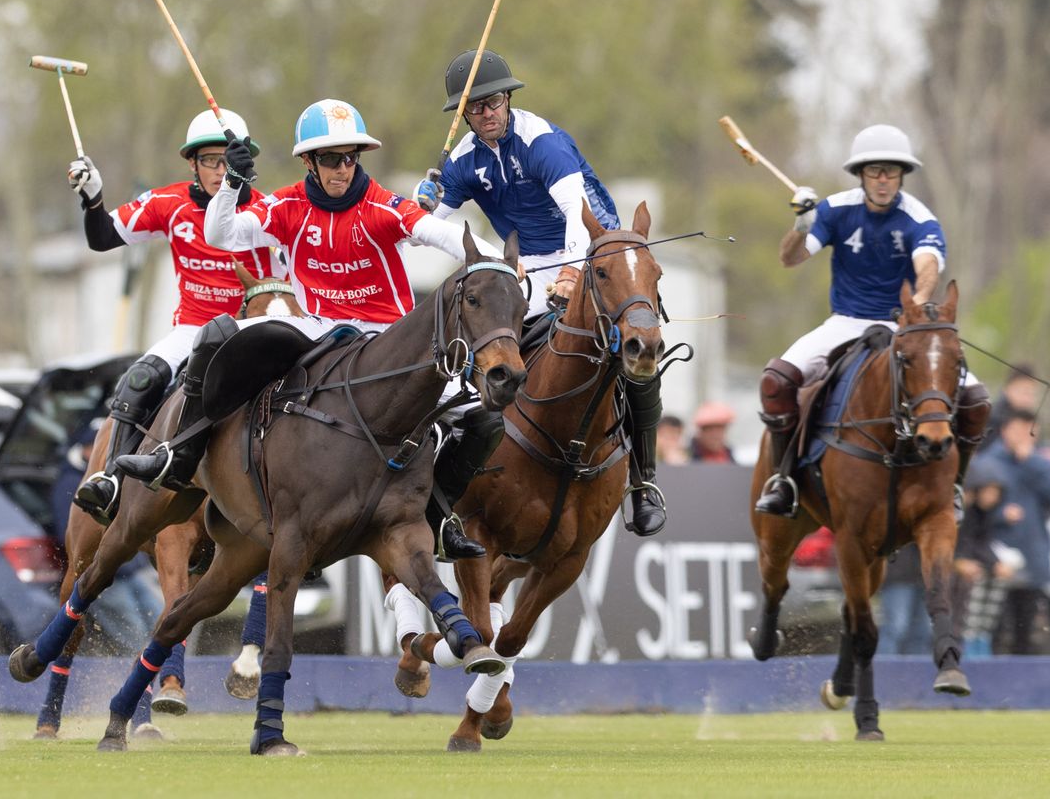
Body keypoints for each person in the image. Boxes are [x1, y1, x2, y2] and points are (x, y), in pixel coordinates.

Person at [132, 98, 512, 561]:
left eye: (350, 158)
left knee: (483, 419)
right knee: (219, 337)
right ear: (310, 161)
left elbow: (441, 234)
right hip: (319, 333)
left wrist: (499, 264)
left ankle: (441, 516)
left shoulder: (383, 207)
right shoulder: (287, 206)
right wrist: (232, 183)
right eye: (331, 159)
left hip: (386, 342)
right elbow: (221, 234)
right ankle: (181, 454)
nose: (342, 169)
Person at [413, 50, 668, 537]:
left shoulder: (542, 142)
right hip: (524, 268)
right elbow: (413, 231)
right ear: (464, 113)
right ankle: (452, 483)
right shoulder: (463, 160)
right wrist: (419, 206)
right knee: (478, 346)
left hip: (596, 255)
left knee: (637, 353)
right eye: (477, 107)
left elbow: (578, 219)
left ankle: (643, 481)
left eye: (495, 102)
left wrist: (573, 274)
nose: (487, 113)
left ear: (508, 99)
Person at [753, 124, 989, 519]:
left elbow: (928, 265)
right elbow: (789, 259)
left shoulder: (918, 217)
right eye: (875, 171)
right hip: (844, 322)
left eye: (891, 172)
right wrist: (801, 224)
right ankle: (784, 480)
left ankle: (954, 486)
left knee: (977, 401)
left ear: (902, 175)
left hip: (902, 326)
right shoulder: (834, 209)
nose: (883, 180)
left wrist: (916, 302)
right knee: (776, 380)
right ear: (861, 174)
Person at [64, 110, 281, 523]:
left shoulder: (267, 213)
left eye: (229, 161)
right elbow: (102, 238)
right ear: (192, 164)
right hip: (193, 330)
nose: (220, 171)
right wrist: (92, 199)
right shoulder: (169, 204)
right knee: (140, 378)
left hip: (250, 334)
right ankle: (110, 481)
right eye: (210, 161)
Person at [984, 409, 1050, 654]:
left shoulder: (1041, 463)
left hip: (1032, 557)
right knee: (996, 628)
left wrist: (1030, 462)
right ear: (1004, 431)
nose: (1023, 436)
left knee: (1029, 629)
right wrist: (1002, 514)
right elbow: (976, 511)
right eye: (1018, 430)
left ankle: (1023, 684)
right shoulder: (989, 464)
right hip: (998, 560)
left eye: (1029, 429)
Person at [951, 456, 1018, 658]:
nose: (992, 497)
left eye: (996, 492)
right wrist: (961, 562)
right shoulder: (965, 511)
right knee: (966, 611)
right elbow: (965, 542)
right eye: (989, 491)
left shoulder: (985, 513)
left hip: (975, 565)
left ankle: (981, 644)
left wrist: (996, 564)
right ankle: (967, 647)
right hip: (955, 570)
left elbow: (982, 542)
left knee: (989, 602)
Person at [876, 544, 931, 656]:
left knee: (924, 631)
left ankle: (916, 670)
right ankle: (883, 668)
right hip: (898, 575)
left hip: (927, 577)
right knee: (896, 627)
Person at [979, 365, 1043, 452]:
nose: (1028, 398)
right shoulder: (991, 417)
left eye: (1032, 393)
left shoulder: (1030, 419)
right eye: (1024, 391)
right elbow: (981, 454)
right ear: (1008, 389)